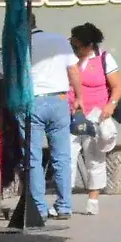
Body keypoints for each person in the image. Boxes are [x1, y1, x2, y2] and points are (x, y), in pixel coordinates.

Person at [26, 14, 83, 219]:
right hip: (59, 100)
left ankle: (40, 208)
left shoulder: (22, 43)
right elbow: (73, 70)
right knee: (62, 157)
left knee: (33, 158)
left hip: (33, 102)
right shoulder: (59, 40)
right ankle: (64, 206)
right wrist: (78, 97)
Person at [68, 23, 121, 216]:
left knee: (94, 157)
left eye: (77, 46)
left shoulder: (104, 59)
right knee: (67, 156)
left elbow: (118, 85)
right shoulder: (69, 59)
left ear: (89, 45)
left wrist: (111, 105)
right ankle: (64, 200)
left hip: (96, 114)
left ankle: (93, 199)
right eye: (72, 44)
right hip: (72, 114)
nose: (74, 49)